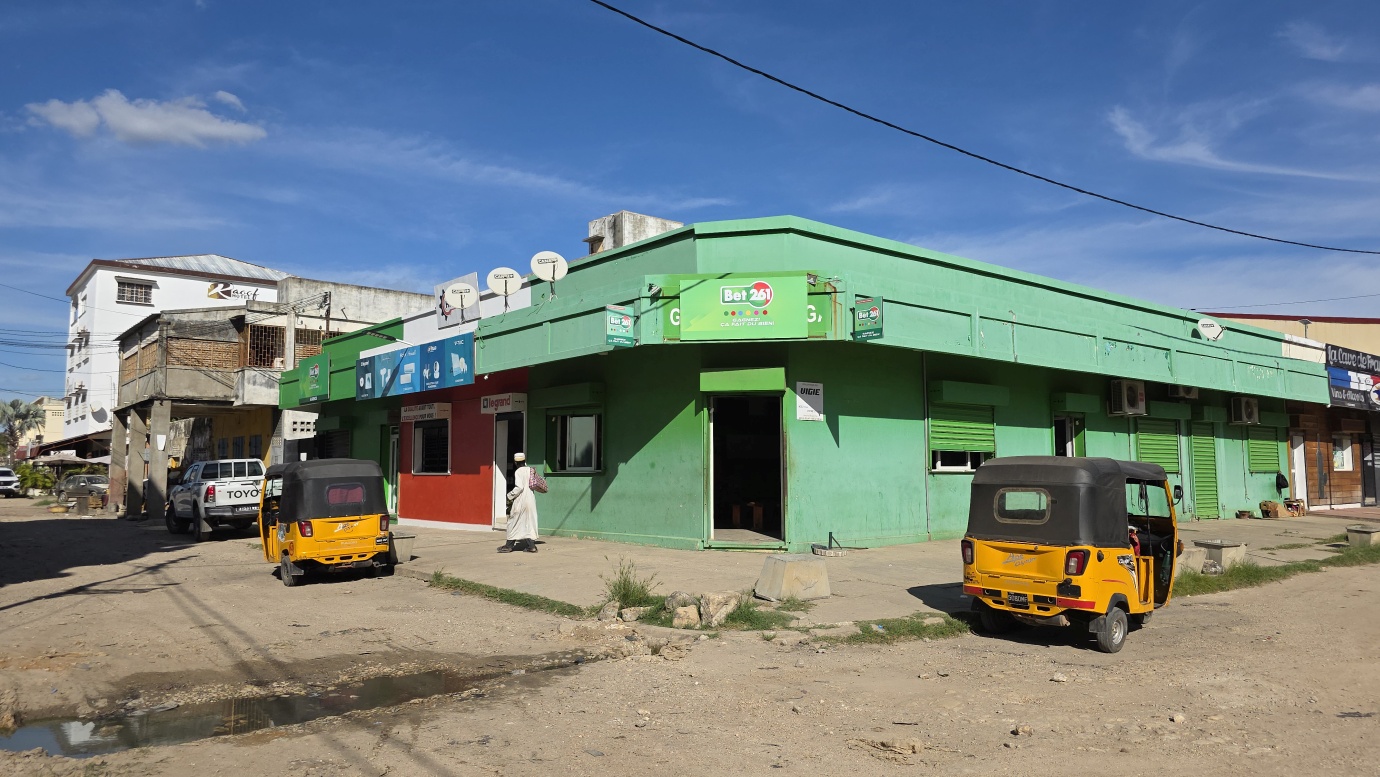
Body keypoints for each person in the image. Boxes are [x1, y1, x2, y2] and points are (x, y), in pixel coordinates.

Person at [499, 452, 539, 553]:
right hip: (530, 500)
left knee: (513, 522)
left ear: (516, 462)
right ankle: (531, 546)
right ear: (524, 461)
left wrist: (509, 496)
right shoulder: (530, 470)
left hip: (521, 500)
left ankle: (508, 546)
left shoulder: (518, 471)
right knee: (529, 523)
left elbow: (519, 487)